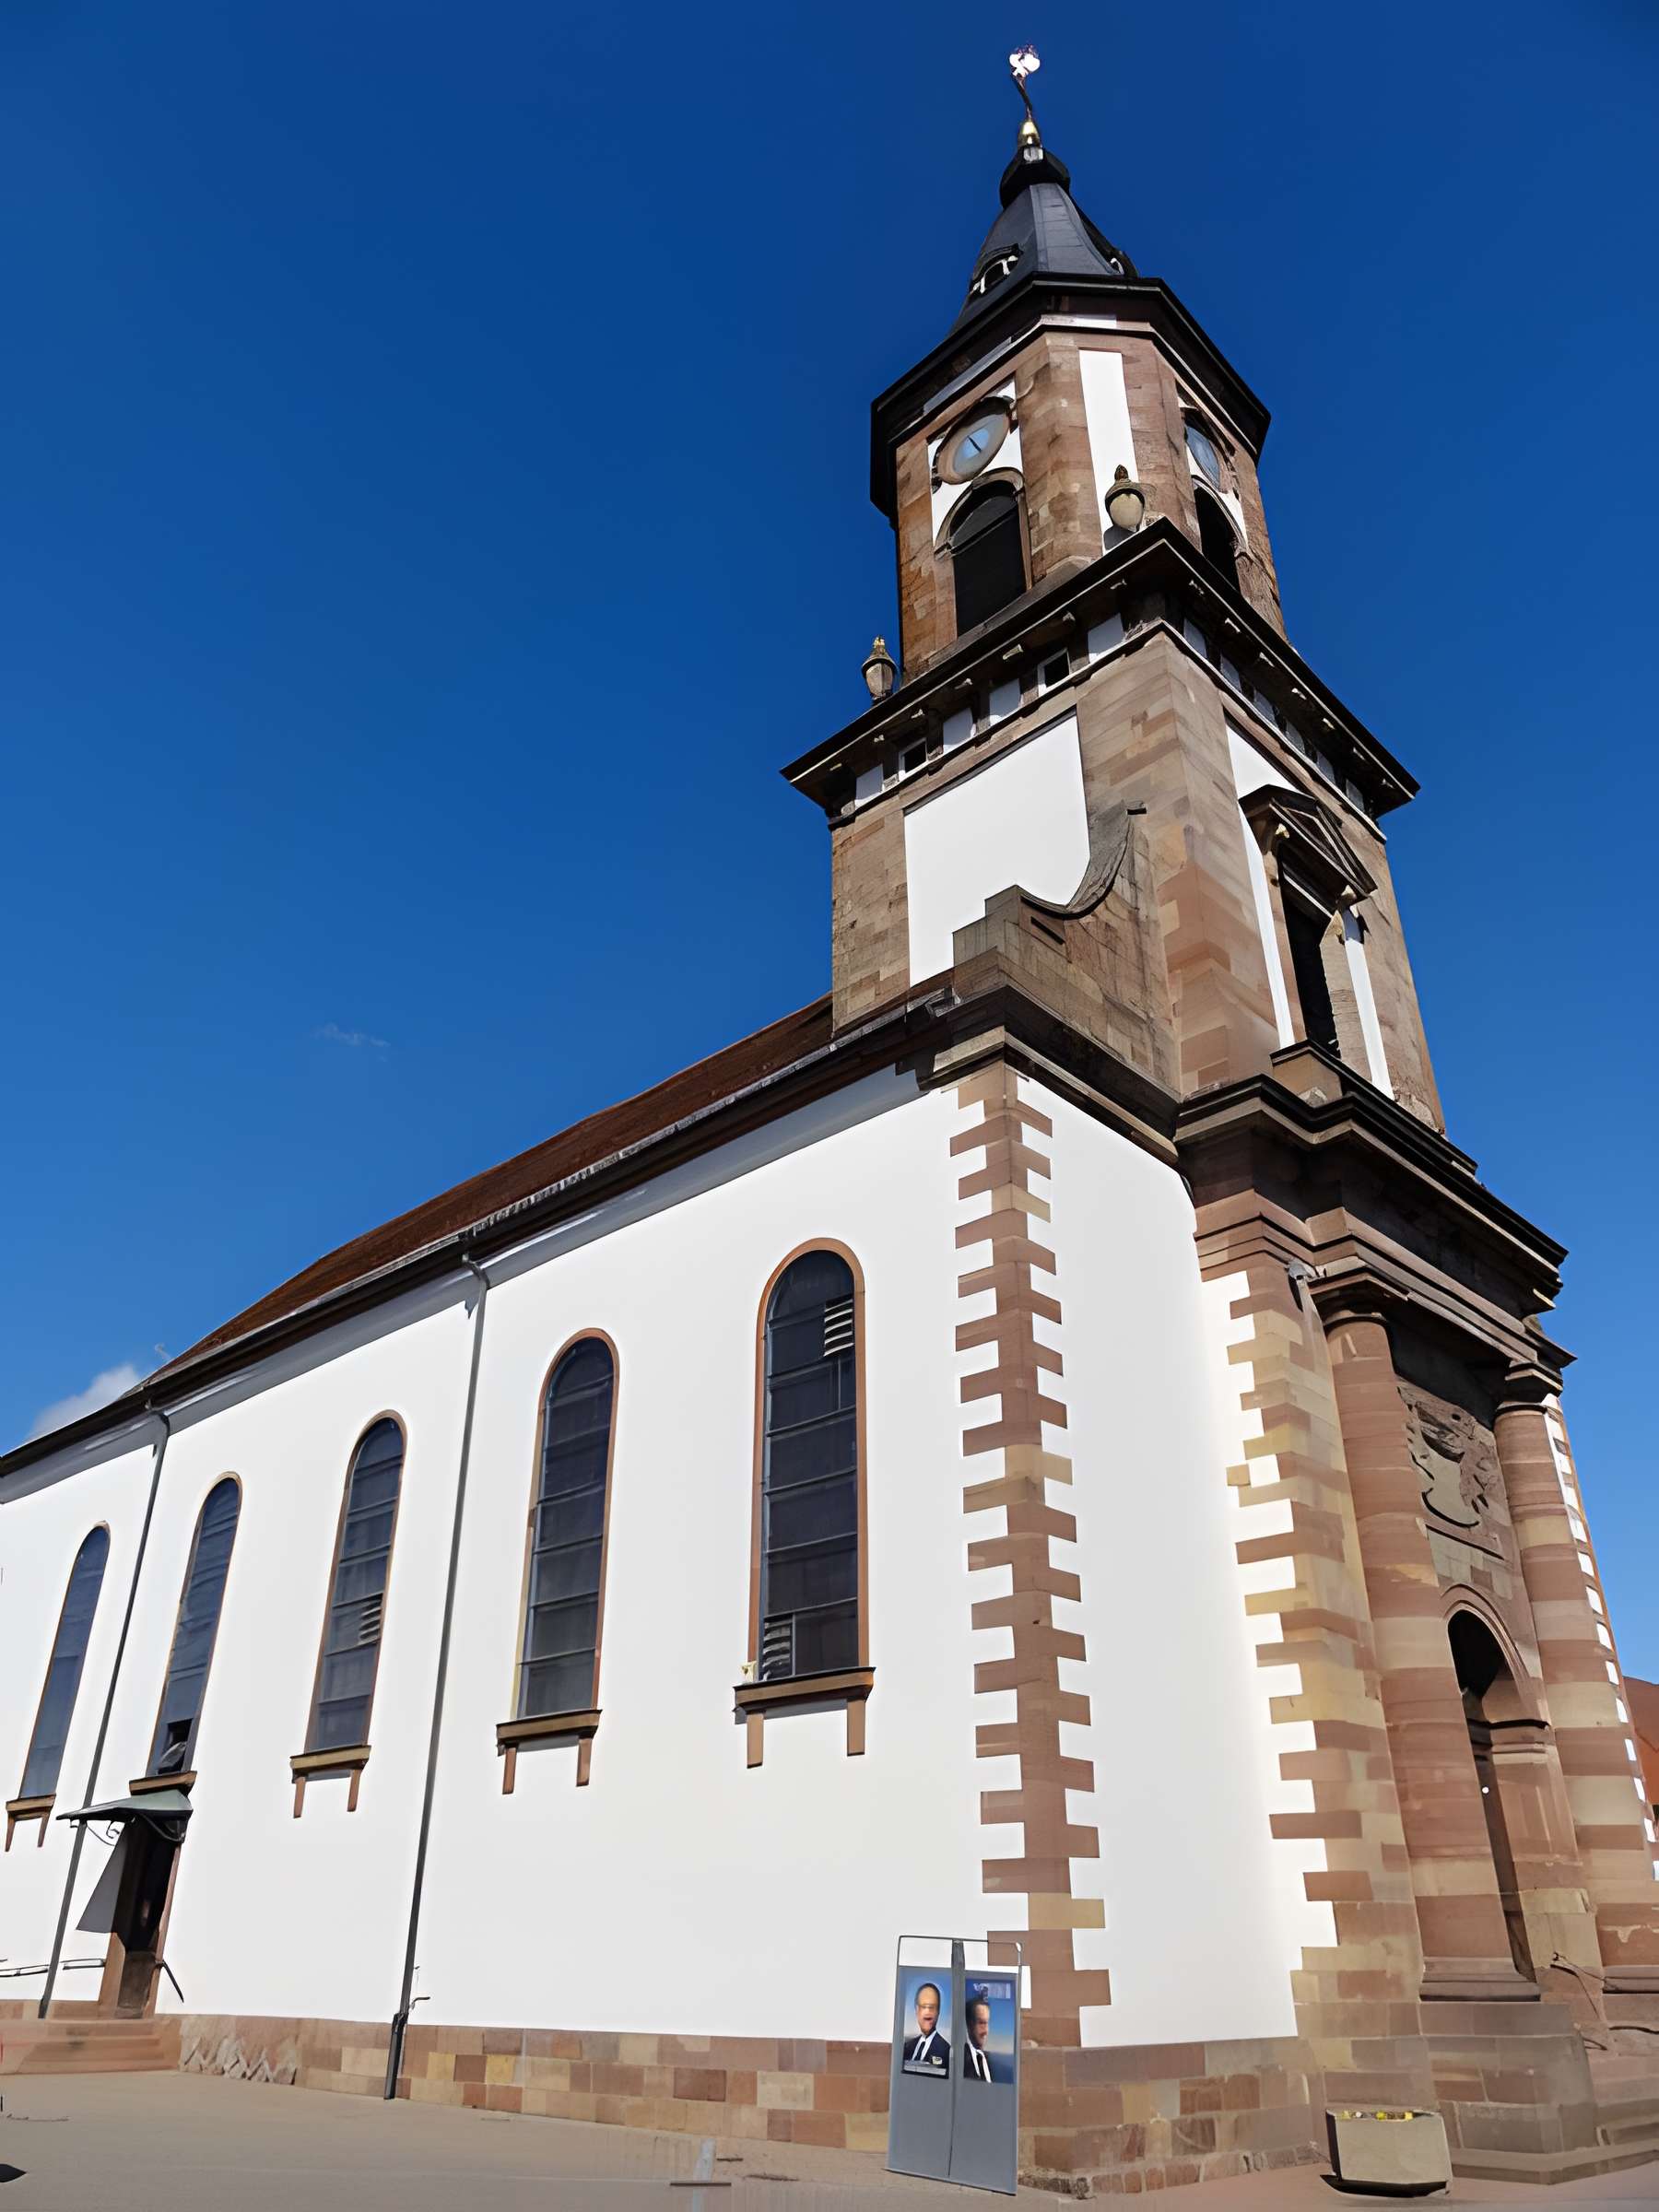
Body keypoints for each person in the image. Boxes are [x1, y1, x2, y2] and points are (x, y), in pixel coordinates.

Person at [961, 1989, 1008, 2084]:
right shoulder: (961, 2061)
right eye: (981, 2023)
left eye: (987, 2023)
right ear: (969, 2024)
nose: (986, 2031)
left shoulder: (987, 2060)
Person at [901, 1981, 949, 2074]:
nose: (928, 2012)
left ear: (938, 2011)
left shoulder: (946, 2050)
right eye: (924, 2007)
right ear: (917, 2010)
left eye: (932, 2007)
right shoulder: (907, 2047)